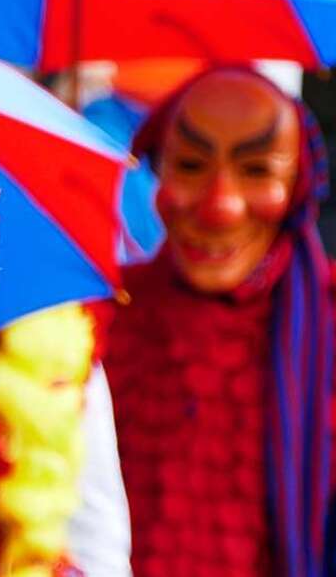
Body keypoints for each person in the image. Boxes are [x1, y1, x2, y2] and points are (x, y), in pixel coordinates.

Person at [103, 67, 333, 577]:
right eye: (189, 165)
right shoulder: (100, 314)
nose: (219, 207)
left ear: (296, 187)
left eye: (255, 171)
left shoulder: (327, 324)